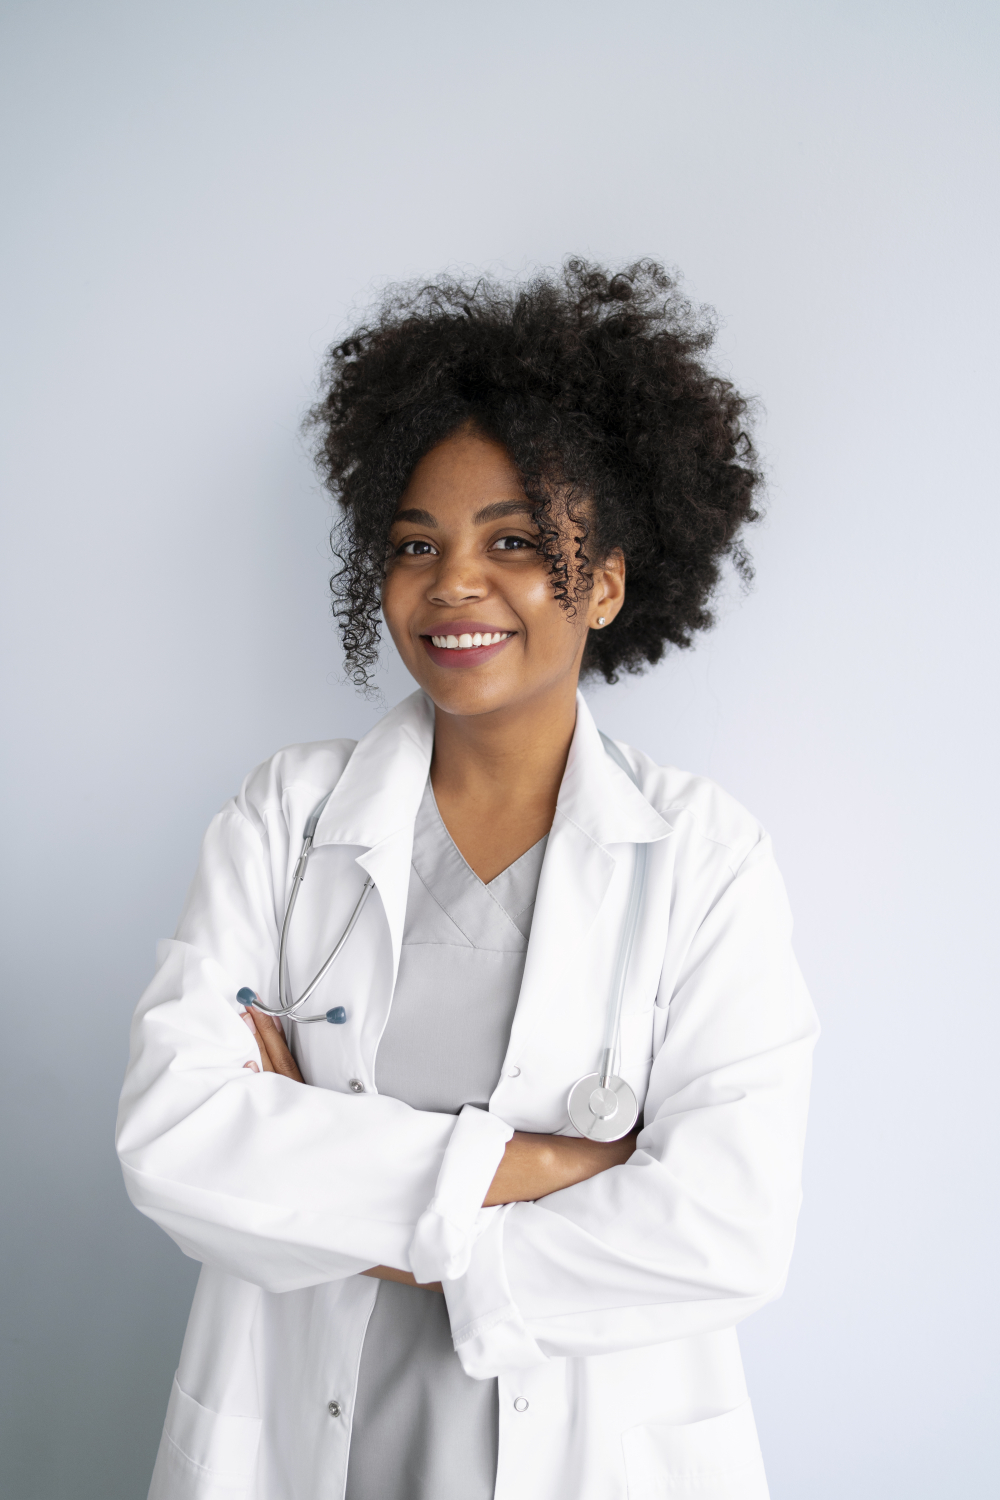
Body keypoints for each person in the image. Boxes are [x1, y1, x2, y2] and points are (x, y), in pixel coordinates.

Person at [117, 259, 819, 1500]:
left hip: (592, 1452)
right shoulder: (284, 819)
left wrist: (325, 1170)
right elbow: (176, 1140)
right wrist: (558, 1168)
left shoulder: (705, 858)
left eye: (514, 542)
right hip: (303, 1443)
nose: (452, 583)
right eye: (415, 543)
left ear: (606, 582)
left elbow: (724, 1230)